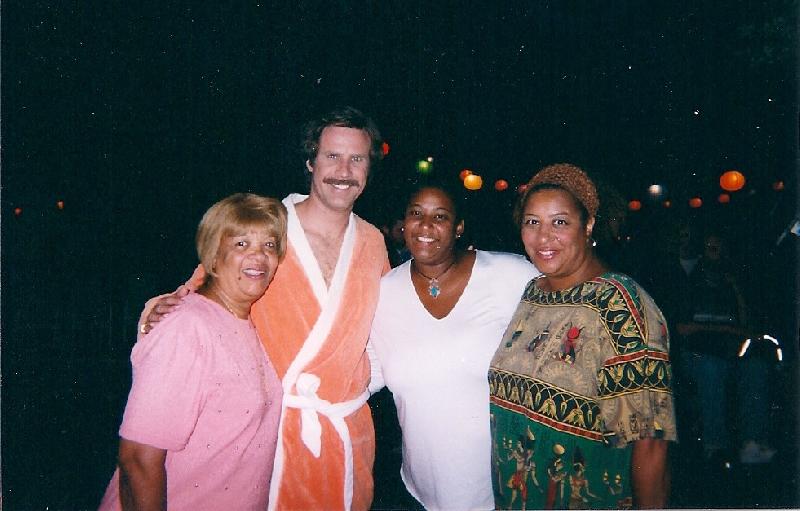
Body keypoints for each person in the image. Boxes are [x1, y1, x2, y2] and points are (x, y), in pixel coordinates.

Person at [140, 107, 389, 511]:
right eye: (332, 156)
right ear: (310, 162)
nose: (344, 171)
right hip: (266, 432)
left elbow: (382, 330)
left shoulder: (373, 242)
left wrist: (360, 382)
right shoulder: (269, 226)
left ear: (369, 167)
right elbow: (203, 291)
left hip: (344, 431)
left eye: (357, 159)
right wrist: (159, 310)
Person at [488, 163, 676, 509]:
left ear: (588, 225)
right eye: (532, 222)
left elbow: (650, 443)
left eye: (560, 222)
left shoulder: (619, 304)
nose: (543, 237)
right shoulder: (533, 292)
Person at [99, 193, 287, 510]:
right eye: (241, 243)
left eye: (269, 245)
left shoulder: (249, 324)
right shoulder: (186, 326)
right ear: (212, 257)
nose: (259, 255)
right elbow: (138, 459)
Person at [368, 182, 540, 510]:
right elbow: (370, 369)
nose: (425, 225)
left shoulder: (510, 274)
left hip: (504, 488)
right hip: (422, 490)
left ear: (459, 227)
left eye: (440, 216)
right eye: (416, 213)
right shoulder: (383, 293)